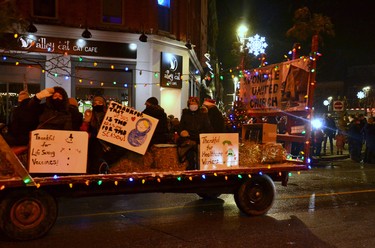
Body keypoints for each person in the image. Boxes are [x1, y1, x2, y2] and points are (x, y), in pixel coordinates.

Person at [80, 95, 126, 174]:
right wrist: (86, 121)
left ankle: (105, 163)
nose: (97, 104)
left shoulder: (110, 116)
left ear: (104, 104)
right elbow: (84, 131)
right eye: (95, 103)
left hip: (109, 142)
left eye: (100, 102)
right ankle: (101, 166)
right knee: (95, 149)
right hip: (96, 142)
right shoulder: (91, 116)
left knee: (121, 149)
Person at [178, 97, 213, 170]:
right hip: (189, 141)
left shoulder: (203, 115)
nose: (193, 105)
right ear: (188, 105)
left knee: (201, 159)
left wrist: (204, 136)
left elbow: (208, 128)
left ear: (198, 104)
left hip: (200, 140)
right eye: (191, 104)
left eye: (195, 104)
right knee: (190, 160)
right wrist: (182, 132)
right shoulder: (185, 115)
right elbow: (180, 127)